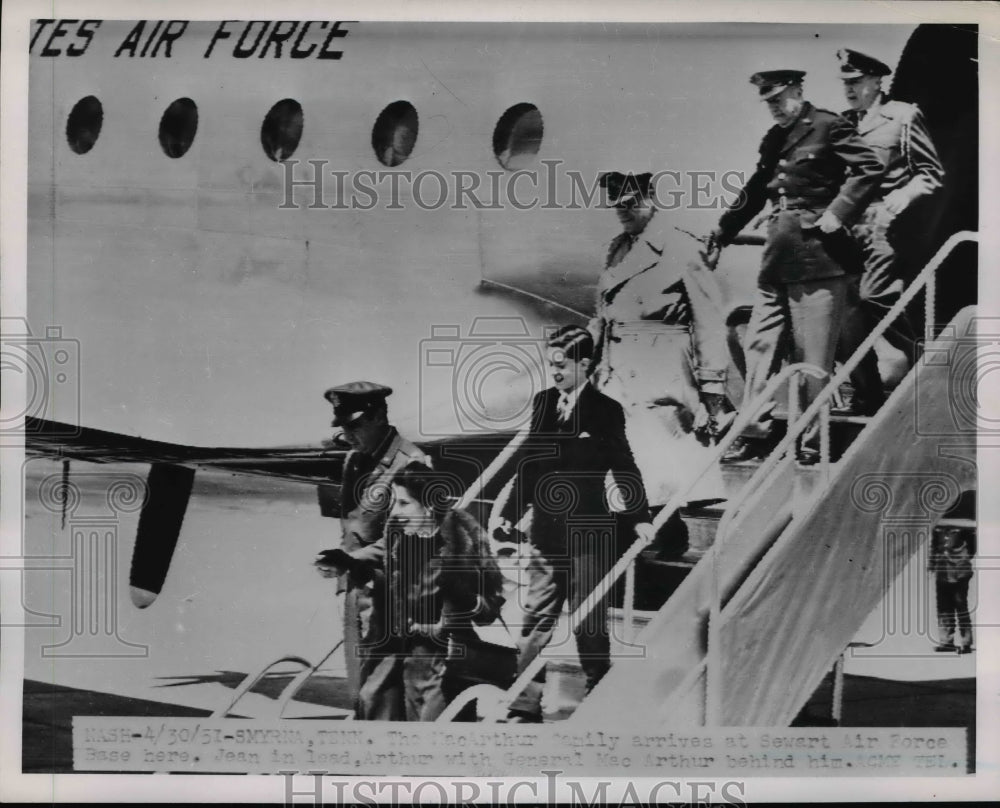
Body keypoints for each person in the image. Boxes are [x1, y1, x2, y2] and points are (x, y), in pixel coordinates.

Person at [708, 69, 886, 464]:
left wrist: (839, 212)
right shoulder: (774, 138)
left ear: (798, 90)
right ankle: (755, 431)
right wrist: (723, 230)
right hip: (778, 254)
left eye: (778, 99)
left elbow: (870, 167)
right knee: (759, 345)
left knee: (812, 359)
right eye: (767, 102)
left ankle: (810, 444)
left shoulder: (828, 126)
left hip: (820, 257)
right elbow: (758, 188)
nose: (773, 108)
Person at [493, 325, 654, 721]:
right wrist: (511, 515)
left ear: (586, 364)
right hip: (546, 532)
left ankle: (599, 695)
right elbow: (530, 461)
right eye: (551, 364)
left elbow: (624, 464)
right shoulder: (545, 402)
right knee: (535, 619)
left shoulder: (605, 410)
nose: (555, 372)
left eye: (562, 364)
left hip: (589, 534)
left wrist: (640, 517)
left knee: (589, 623)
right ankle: (524, 704)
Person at [590, 171, 733, 504]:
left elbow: (709, 323)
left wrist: (712, 391)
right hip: (619, 371)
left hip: (664, 372)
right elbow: (603, 316)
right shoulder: (616, 249)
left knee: (667, 470)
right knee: (630, 466)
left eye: (629, 204)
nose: (622, 212)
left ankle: (665, 535)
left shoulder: (681, 248)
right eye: (616, 206)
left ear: (650, 199)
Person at [327, 463, 509, 720]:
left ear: (429, 505)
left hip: (449, 659)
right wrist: (342, 560)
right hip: (411, 657)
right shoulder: (399, 537)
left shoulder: (464, 540)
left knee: (436, 734)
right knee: (378, 705)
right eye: (393, 503)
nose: (395, 512)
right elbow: (376, 552)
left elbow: (489, 605)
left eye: (404, 504)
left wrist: (453, 611)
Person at [834, 48, 945, 414]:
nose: (850, 89)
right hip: (847, 227)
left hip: (885, 223)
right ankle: (866, 396)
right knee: (848, 316)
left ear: (877, 81)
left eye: (857, 82)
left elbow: (930, 173)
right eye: (846, 82)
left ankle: (930, 368)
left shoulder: (903, 116)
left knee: (874, 296)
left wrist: (905, 191)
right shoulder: (844, 122)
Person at [314, 381, 429, 719]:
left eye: (354, 426)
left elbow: (409, 537)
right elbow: (351, 526)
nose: (347, 435)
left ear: (379, 416)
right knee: (360, 684)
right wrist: (341, 577)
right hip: (356, 590)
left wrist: (353, 560)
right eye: (343, 426)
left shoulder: (412, 463)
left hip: (392, 596)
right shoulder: (355, 461)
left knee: (383, 691)